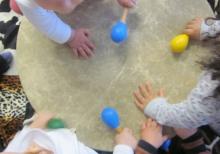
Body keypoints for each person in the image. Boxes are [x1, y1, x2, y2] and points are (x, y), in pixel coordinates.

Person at [15, 0, 137, 59]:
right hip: (31, 6)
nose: (67, 4)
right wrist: (70, 36)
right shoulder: (28, 2)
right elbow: (47, 25)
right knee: (19, 8)